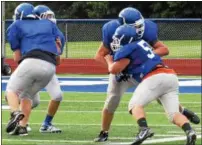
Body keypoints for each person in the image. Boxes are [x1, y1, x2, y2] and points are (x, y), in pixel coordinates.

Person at [94, 7, 200, 142]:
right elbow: (99, 56)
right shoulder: (111, 30)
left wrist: (142, 57)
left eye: (140, 24)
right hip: (122, 69)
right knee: (112, 101)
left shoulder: (145, 31)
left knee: (151, 97)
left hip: (143, 70)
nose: (140, 28)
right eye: (136, 26)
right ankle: (104, 132)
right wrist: (122, 67)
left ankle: (175, 113)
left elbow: (164, 49)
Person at [5, 3, 63, 136]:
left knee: (11, 91)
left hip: (31, 60)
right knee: (27, 95)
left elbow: (17, 57)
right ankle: (22, 127)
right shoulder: (49, 25)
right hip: (50, 68)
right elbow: (58, 53)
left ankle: (15, 112)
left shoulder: (16, 25)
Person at [32, 4, 65, 133]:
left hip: (48, 68)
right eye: (46, 17)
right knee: (33, 101)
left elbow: (58, 62)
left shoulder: (58, 34)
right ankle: (20, 123)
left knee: (57, 96)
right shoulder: (30, 33)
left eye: (51, 16)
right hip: (31, 68)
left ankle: (46, 124)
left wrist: (56, 50)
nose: (50, 19)